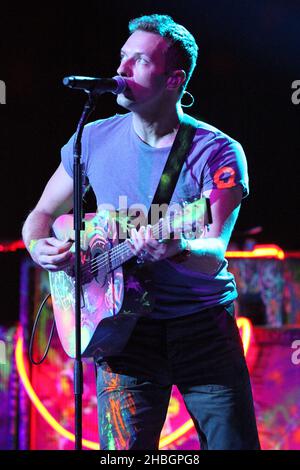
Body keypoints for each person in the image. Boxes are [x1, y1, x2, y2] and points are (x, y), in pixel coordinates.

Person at [22, 14, 260, 450]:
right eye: (122, 57)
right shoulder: (91, 138)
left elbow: (213, 252)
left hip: (202, 329)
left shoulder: (218, 151)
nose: (121, 70)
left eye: (139, 61)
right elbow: (40, 214)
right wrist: (42, 248)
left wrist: (179, 246)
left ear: (174, 79)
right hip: (122, 333)